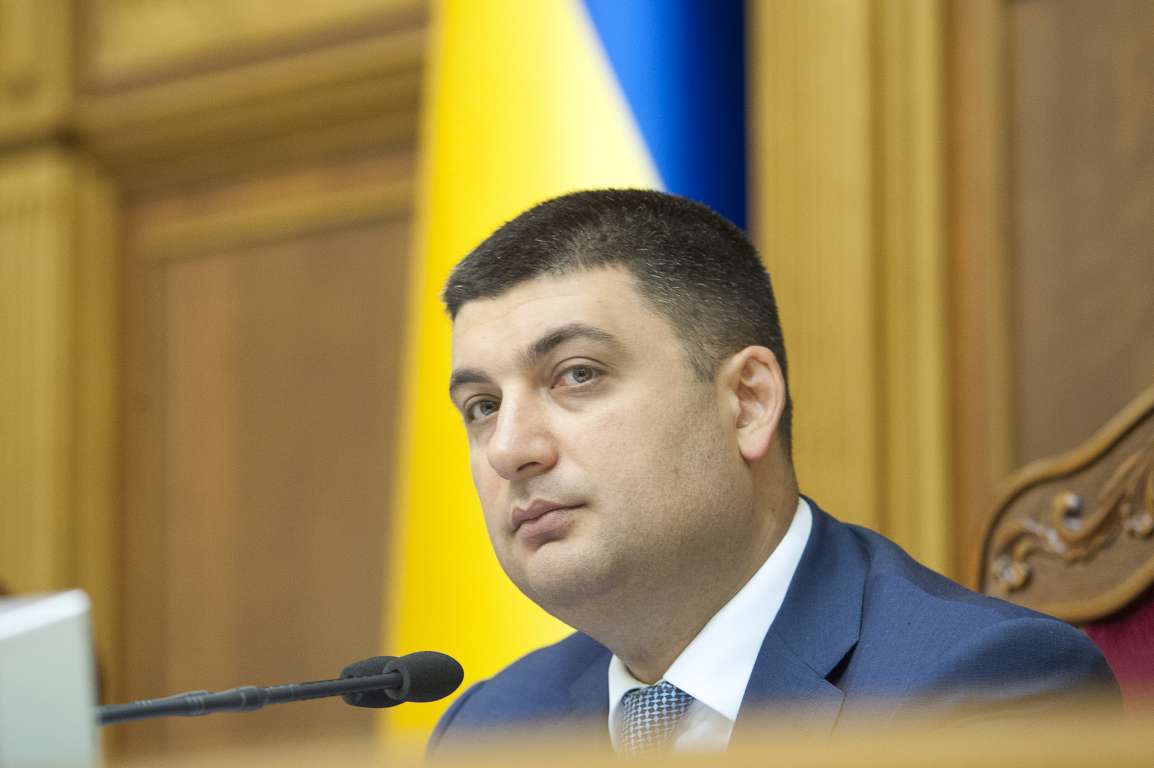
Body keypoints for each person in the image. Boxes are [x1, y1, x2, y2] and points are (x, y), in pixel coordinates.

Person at [431, 189, 1116, 755]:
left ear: (748, 402)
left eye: (577, 374)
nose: (509, 449)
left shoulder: (981, 689)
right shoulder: (492, 731)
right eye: (482, 406)